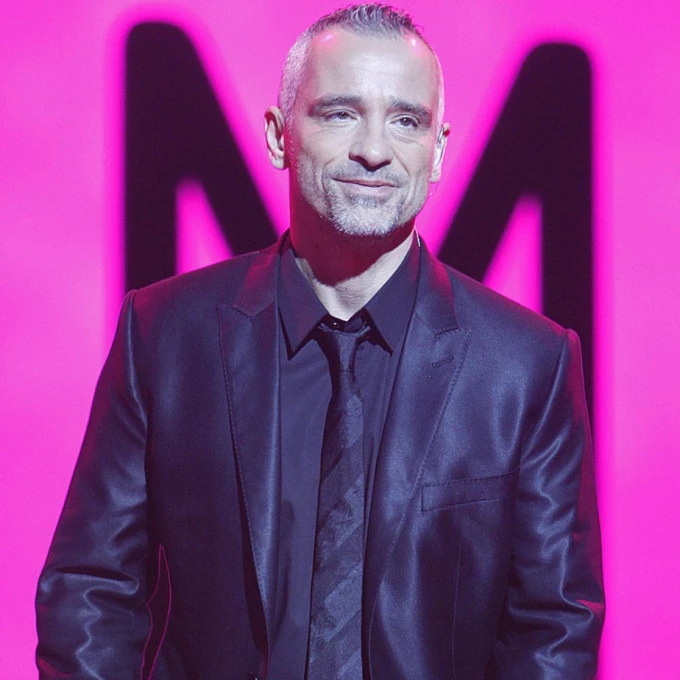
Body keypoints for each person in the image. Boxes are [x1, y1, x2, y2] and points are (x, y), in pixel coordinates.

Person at [36, 4, 604, 679]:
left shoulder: (528, 366)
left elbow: (553, 627)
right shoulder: (165, 335)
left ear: (438, 150)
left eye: (406, 121)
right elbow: (91, 587)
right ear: (279, 136)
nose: (374, 150)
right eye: (340, 114)